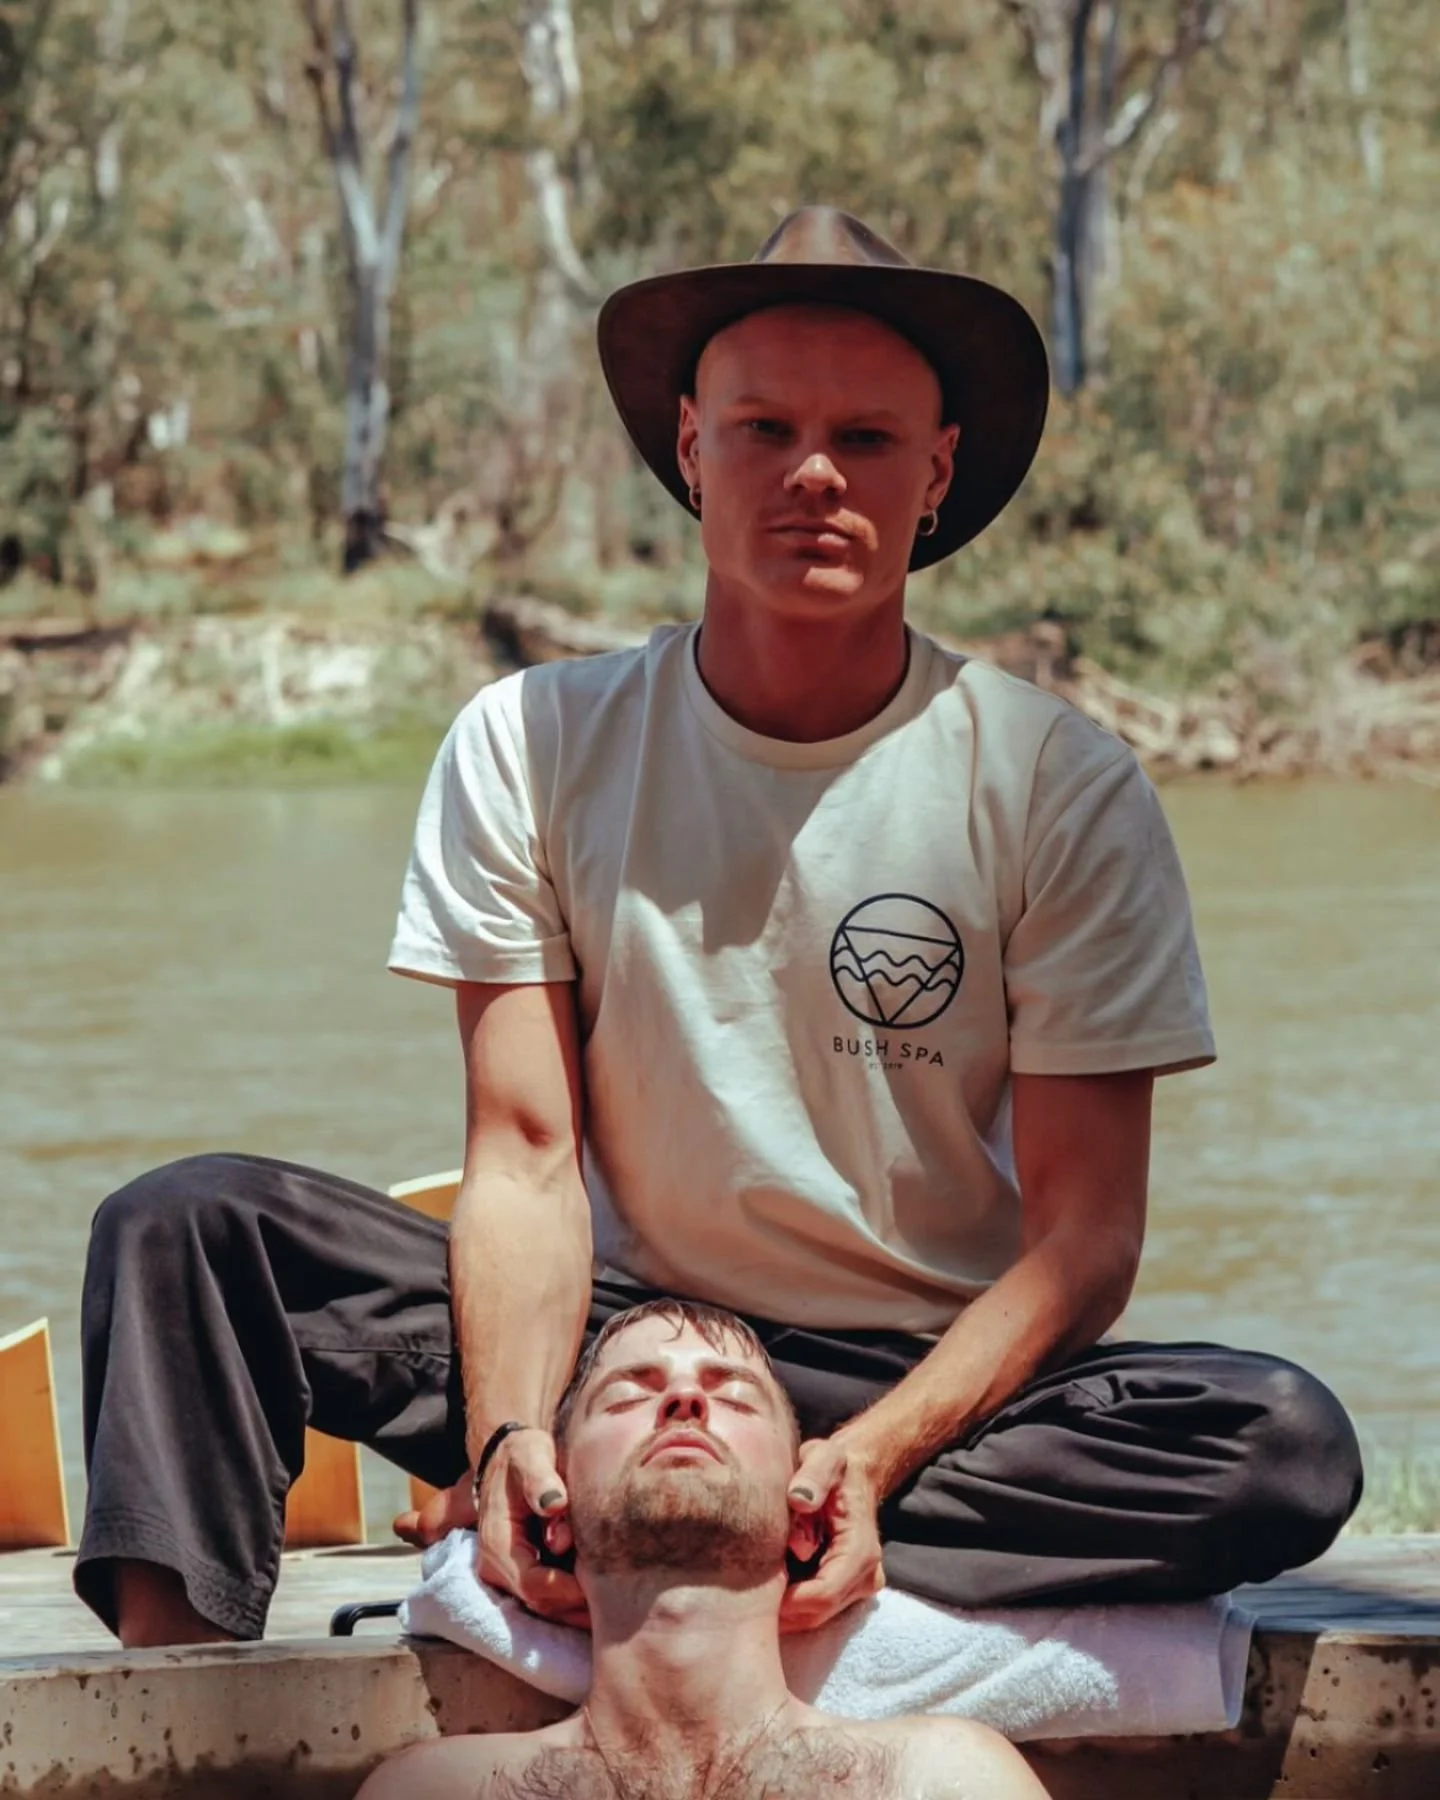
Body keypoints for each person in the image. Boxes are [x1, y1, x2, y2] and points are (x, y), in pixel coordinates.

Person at [75, 205, 1362, 1651]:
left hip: (924, 1385)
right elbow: (524, 1160)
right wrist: (509, 1443)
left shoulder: (1056, 784)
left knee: (1280, 1442)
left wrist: (868, 1457)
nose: (815, 475)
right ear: (691, 448)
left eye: (868, 440)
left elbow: (1083, 1243)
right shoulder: (531, 742)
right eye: (765, 430)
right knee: (182, 1231)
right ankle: (176, 1704)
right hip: (618, 1355)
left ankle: (710, 1520)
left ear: (936, 473)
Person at [356, 1298, 1050, 1800]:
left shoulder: (945, 1780)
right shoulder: (441, 1789)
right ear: (553, 1515)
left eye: (736, 1397)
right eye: (630, 1393)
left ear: (810, 1516)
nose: (685, 1398)